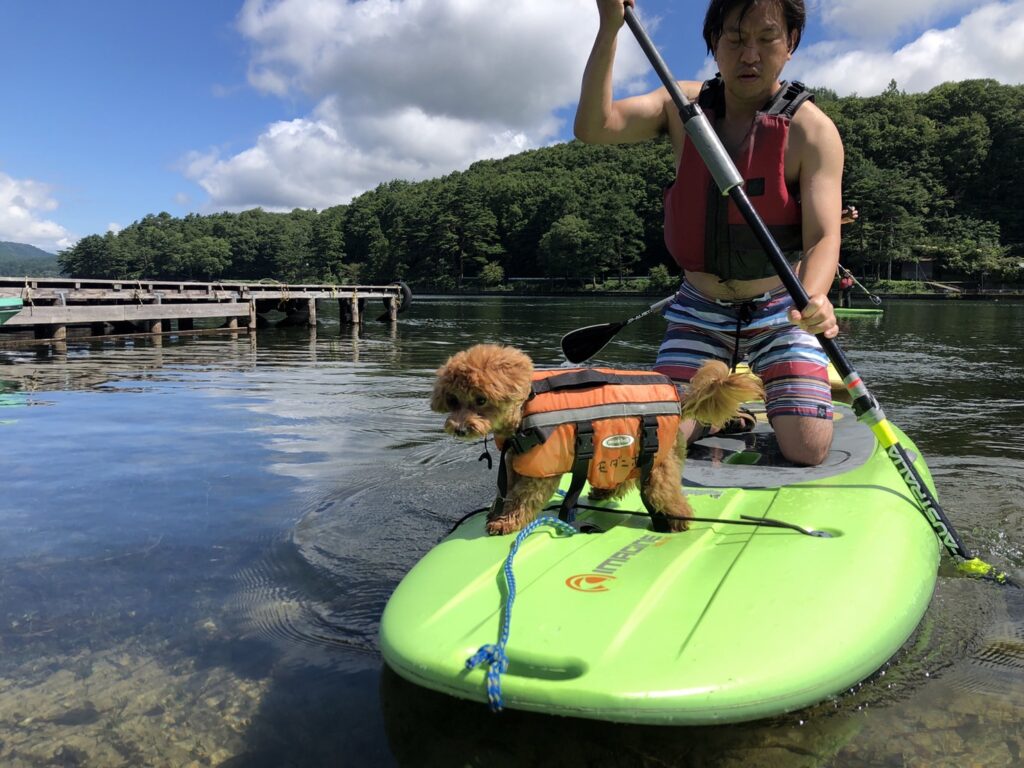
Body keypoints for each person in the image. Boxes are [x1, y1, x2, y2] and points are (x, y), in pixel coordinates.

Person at [575, 0, 845, 466]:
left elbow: (823, 236)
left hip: (780, 310)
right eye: (735, 40)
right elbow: (593, 128)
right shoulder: (682, 107)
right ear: (714, 45)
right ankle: (720, 412)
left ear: (791, 45)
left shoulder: (813, 132)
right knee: (659, 441)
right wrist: (609, 29)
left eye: (766, 39)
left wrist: (816, 298)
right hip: (698, 308)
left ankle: (751, 393)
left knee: (808, 449)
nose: (750, 56)